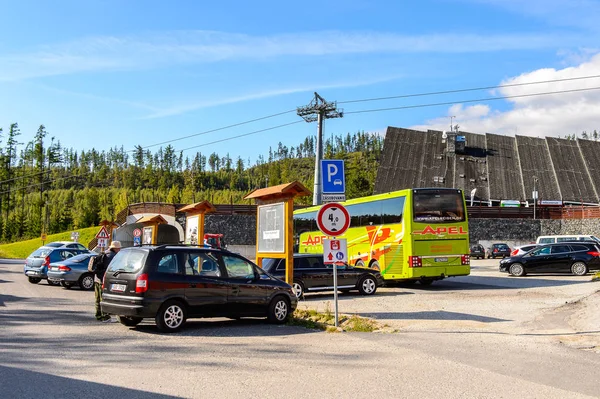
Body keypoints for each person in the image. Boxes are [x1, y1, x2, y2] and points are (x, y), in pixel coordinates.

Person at [92, 240, 121, 322]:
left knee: (97, 299)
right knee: (104, 299)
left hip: (97, 278)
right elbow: (113, 270)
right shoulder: (112, 256)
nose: (119, 250)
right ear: (115, 249)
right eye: (119, 248)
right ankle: (105, 317)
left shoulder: (103, 253)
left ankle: (98, 315)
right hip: (104, 280)